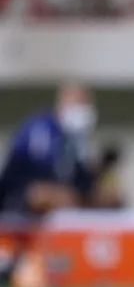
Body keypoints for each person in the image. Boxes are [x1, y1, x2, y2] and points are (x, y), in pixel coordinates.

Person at [0, 82, 97, 215]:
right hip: (18, 203)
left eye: (86, 104)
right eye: (79, 103)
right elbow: (19, 175)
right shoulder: (40, 130)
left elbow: (78, 178)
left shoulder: (75, 137)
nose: (83, 109)